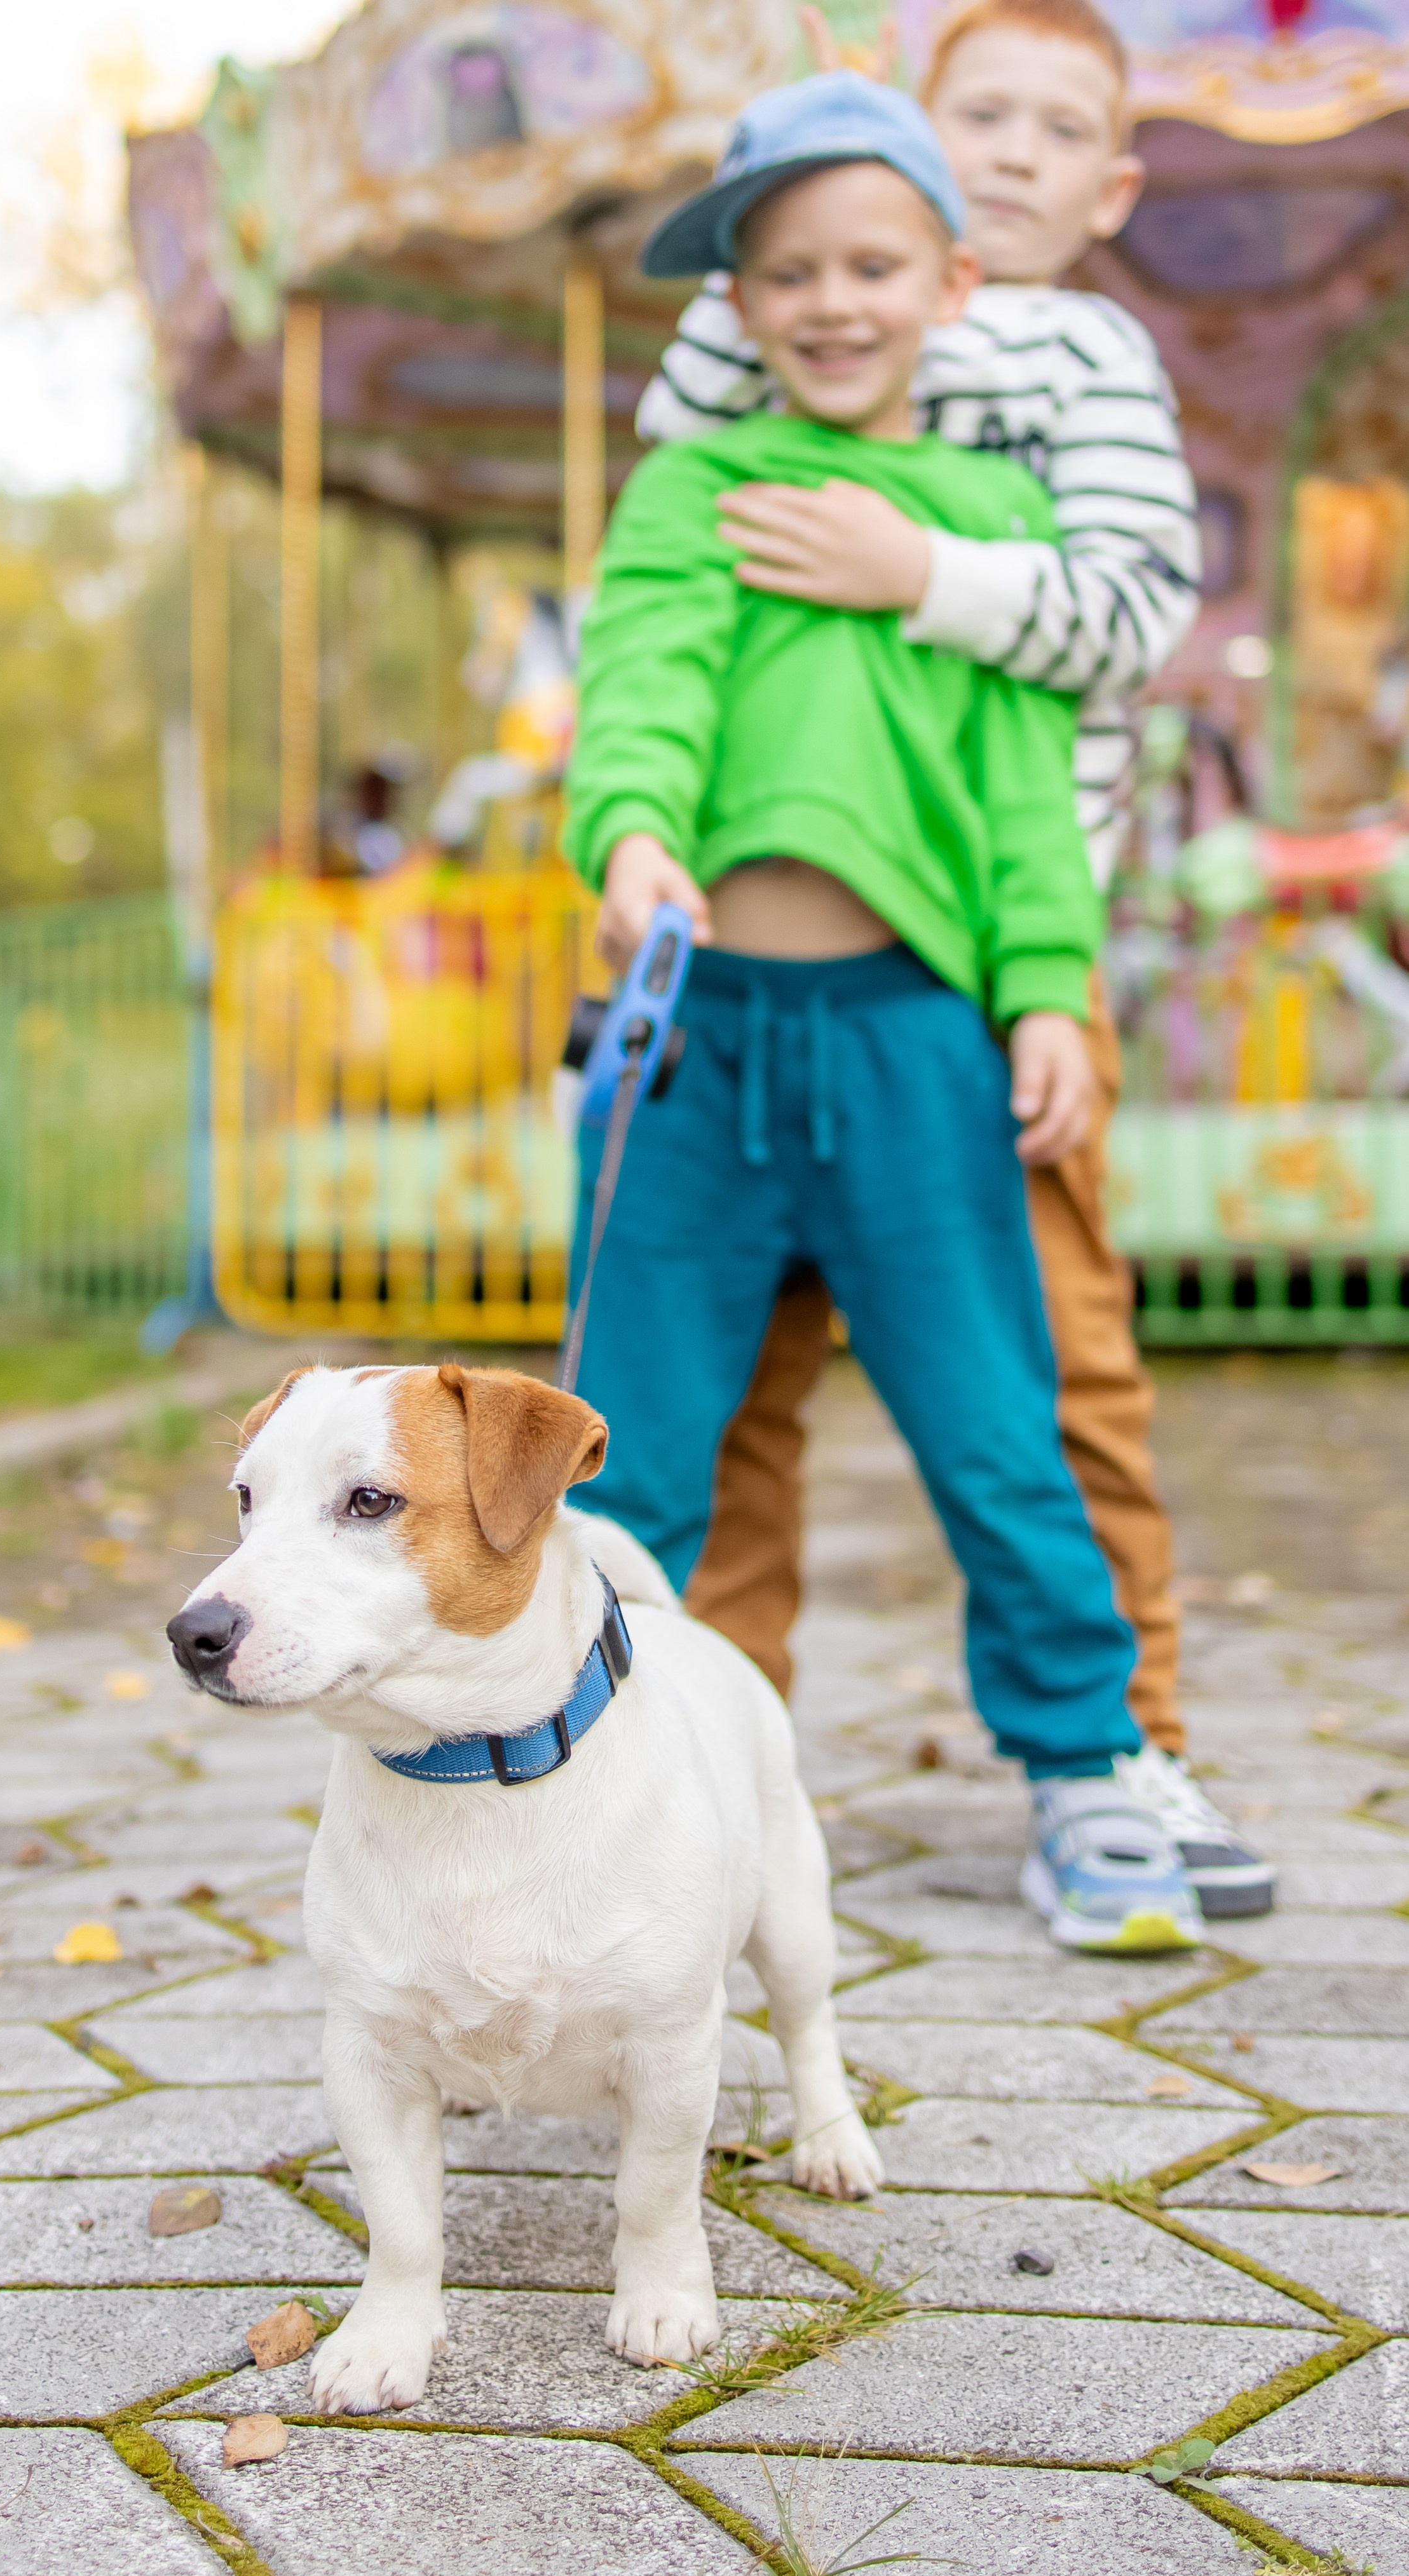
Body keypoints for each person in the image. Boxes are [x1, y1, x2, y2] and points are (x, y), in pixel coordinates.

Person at [637, 0, 1272, 1920]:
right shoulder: (750, 383)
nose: (1007, 141)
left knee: (1045, 1388)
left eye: (1048, 126)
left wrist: (922, 570)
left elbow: (1127, 616)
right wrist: (633, 827)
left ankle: (1115, 1748)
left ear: (1088, 193)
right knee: (706, 1420)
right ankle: (673, 1765)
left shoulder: (1084, 362)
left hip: (985, 975)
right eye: (970, 110)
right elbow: (656, 617)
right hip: (733, 1006)